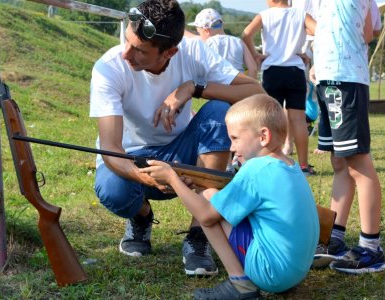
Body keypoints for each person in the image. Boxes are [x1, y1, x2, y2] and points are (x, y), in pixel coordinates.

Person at [89, 0, 264, 277]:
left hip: (181, 152)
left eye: (139, 50)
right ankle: (141, 217)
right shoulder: (109, 68)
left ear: (170, 52)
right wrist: (142, 176)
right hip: (132, 158)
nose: (126, 54)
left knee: (219, 110)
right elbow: (110, 149)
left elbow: (256, 92)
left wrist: (193, 87)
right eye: (127, 41)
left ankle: (199, 234)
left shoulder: (194, 51)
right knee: (113, 191)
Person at [139, 94, 319, 299]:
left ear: (263, 137)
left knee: (208, 201)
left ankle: (240, 284)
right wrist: (195, 186)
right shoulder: (290, 166)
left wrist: (172, 179)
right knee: (211, 196)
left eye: (235, 138)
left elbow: (206, 216)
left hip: (272, 274)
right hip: (295, 273)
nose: (231, 148)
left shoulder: (255, 170)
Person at [311, 0, 385, 274]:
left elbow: (370, 31)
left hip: (346, 78)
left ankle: (371, 248)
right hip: (326, 78)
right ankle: (335, 238)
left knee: (358, 163)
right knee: (340, 162)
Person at [242, 0, 316, 176]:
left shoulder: (264, 15)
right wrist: (308, 53)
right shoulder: (300, 14)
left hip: (272, 70)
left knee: (269, 118)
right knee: (298, 119)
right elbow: (319, 31)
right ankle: (304, 165)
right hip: (295, 70)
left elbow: (246, 35)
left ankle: (271, 160)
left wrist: (255, 55)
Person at [185, 8, 258, 80]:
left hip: (216, 89)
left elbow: (192, 38)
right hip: (239, 87)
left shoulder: (206, 44)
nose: (199, 35)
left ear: (206, 31)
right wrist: (248, 88)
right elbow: (253, 69)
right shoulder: (239, 42)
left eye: (199, 32)